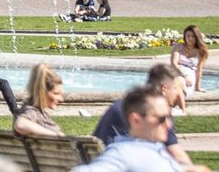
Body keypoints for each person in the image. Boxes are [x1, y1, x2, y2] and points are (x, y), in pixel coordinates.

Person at [73, 87, 211, 172]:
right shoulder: (123, 152)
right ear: (136, 120)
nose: (168, 125)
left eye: (169, 118)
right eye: (161, 119)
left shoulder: (154, 148)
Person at [93, 64, 195, 167]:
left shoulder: (124, 104)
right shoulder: (152, 111)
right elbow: (175, 151)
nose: (180, 95)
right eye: (178, 89)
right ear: (164, 89)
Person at [13, 63, 64, 136]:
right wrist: (56, 135)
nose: (61, 99)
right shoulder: (32, 111)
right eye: (56, 93)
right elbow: (20, 124)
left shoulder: (38, 113)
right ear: (42, 92)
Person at [172, 25, 208, 98]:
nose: (190, 38)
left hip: (190, 74)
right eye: (188, 36)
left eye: (193, 36)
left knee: (180, 83)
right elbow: (174, 63)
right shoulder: (178, 46)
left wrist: (197, 87)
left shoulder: (201, 51)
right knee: (176, 80)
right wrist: (185, 76)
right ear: (184, 36)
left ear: (197, 37)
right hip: (178, 71)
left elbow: (199, 70)